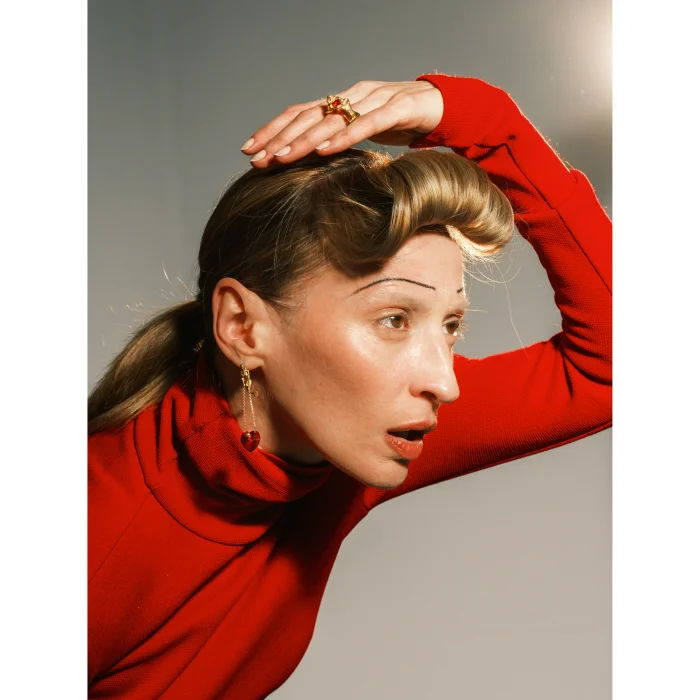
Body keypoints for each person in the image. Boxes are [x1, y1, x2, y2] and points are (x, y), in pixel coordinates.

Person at [88, 73, 611, 698]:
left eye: (451, 325)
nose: (444, 382)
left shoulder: (351, 438)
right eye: (393, 319)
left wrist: (488, 122)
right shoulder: (91, 528)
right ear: (243, 327)